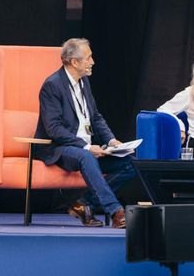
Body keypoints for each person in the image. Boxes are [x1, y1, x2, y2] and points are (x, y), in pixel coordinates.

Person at [34, 38, 135, 228]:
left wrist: (111, 140)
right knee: (85, 156)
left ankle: (83, 204)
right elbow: (54, 129)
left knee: (131, 162)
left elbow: (95, 116)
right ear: (74, 62)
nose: (93, 62)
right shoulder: (52, 85)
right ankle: (115, 211)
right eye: (88, 58)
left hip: (85, 148)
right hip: (60, 148)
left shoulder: (83, 82)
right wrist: (87, 146)